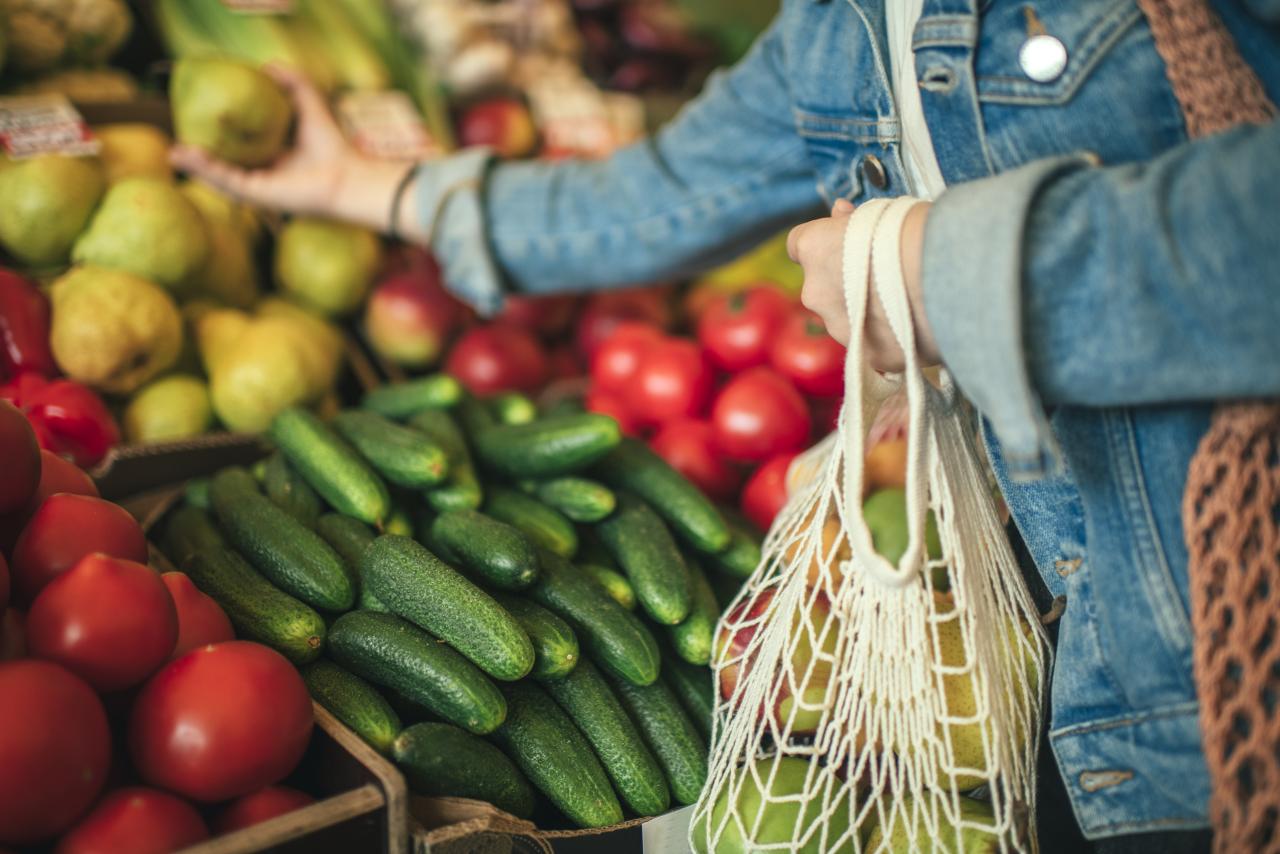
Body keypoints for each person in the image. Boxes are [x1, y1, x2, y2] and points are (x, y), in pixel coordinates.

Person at [174, 0, 1280, 848]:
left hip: (1231, 679)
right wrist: (370, 188)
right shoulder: (838, 27)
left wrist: (948, 273)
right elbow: (652, 197)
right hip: (1079, 701)